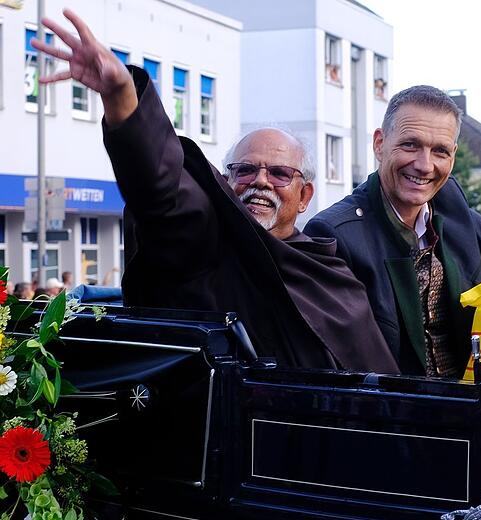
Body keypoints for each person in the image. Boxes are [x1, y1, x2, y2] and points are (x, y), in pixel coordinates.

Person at [31, 11, 397, 372]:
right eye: (246, 170)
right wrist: (122, 97)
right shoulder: (205, 246)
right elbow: (164, 193)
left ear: (305, 196)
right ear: (226, 179)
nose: (261, 181)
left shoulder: (330, 273)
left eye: (281, 173)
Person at [305, 85, 481, 377]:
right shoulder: (334, 233)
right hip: (394, 414)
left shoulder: (456, 215)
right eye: (410, 145)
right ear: (379, 144)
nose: (425, 165)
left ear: (453, 156)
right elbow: (337, 363)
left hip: (475, 408)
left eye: (440, 151)